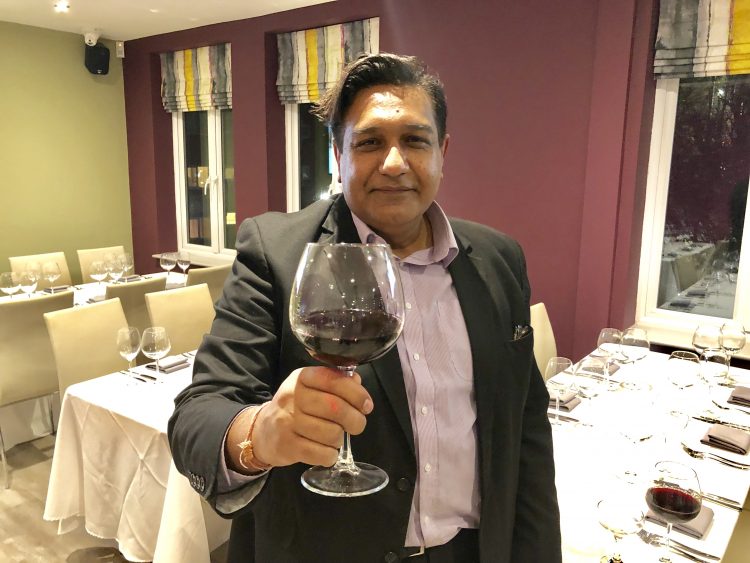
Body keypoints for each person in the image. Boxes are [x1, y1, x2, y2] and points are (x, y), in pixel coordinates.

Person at [169, 52, 561, 563]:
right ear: (339, 154)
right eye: (370, 142)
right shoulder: (276, 252)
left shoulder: (499, 259)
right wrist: (258, 435)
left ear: (442, 151)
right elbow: (197, 417)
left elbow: (526, 428)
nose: (394, 163)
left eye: (415, 140)